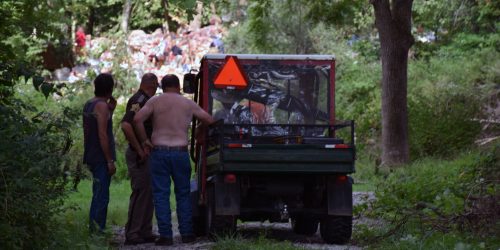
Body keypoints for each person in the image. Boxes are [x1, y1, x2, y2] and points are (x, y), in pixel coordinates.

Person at [134, 74, 214, 246]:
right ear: (178, 87)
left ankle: (166, 236)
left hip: (159, 152)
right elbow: (209, 120)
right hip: (180, 152)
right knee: (183, 194)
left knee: (161, 195)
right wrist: (199, 130)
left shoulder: (155, 101)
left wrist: (144, 141)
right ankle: (186, 234)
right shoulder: (187, 103)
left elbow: (137, 119)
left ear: (162, 87)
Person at [120, 73, 159, 245]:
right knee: (141, 191)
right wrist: (140, 147)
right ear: (152, 84)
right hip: (139, 155)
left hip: (145, 154)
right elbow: (126, 124)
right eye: (156, 84)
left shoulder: (145, 99)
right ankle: (132, 233)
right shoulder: (140, 99)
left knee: (148, 192)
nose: (157, 88)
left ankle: (144, 230)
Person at [82, 73, 117, 232]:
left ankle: (94, 229)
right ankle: (97, 232)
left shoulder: (89, 103)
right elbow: (102, 134)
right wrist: (109, 160)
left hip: (90, 153)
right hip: (100, 155)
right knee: (101, 195)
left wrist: (112, 111)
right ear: (110, 88)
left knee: (98, 193)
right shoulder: (102, 106)